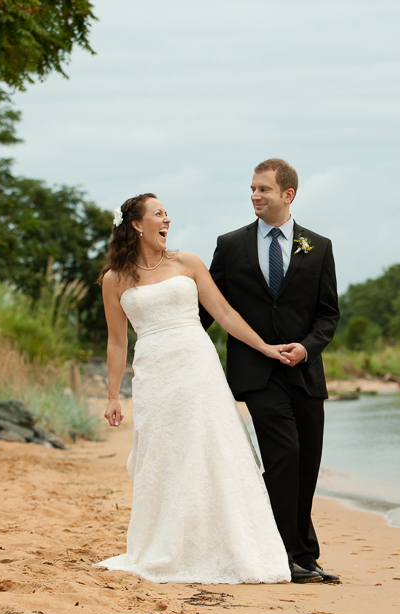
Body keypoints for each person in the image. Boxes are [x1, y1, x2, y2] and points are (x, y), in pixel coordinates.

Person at [92, 193, 293, 584]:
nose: (167, 219)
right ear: (137, 224)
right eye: (158, 214)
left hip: (198, 367)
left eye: (167, 213)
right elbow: (117, 342)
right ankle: (167, 545)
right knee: (165, 455)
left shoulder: (188, 262)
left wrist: (265, 347)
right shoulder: (115, 280)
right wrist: (114, 395)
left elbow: (225, 313)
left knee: (211, 448)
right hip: (154, 374)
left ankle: (228, 545)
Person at [200, 159, 341, 584]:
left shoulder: (319, 246)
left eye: (263, 189)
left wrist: (308, 347)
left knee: (307, 462)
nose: (255, 196)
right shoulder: (230, 245)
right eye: (252, 189)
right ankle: (286, 555)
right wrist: (175, 341)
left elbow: (328, 315)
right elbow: (210, 306)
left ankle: (304, 554)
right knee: (285, 455)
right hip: (255, 371)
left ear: (288, 195)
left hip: (304, 372)